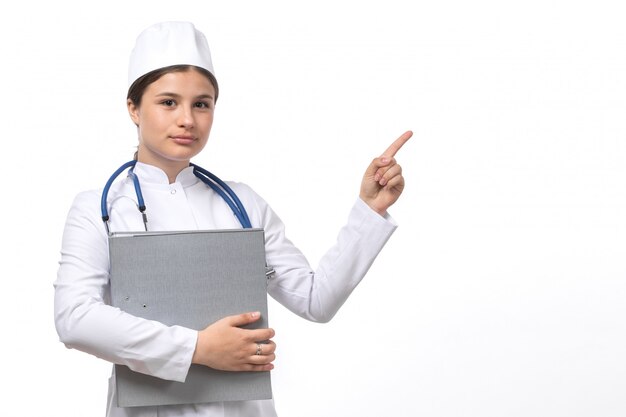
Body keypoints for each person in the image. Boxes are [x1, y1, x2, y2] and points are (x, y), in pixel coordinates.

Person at [54, 21, 412, 417]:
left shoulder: (242, 204)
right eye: (168, 102)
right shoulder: (98, 208)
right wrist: (197, 349)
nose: (188, 119)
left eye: (202, 103)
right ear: (134, 108)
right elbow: (75, 318)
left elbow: (315, 300)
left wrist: (369, 209)